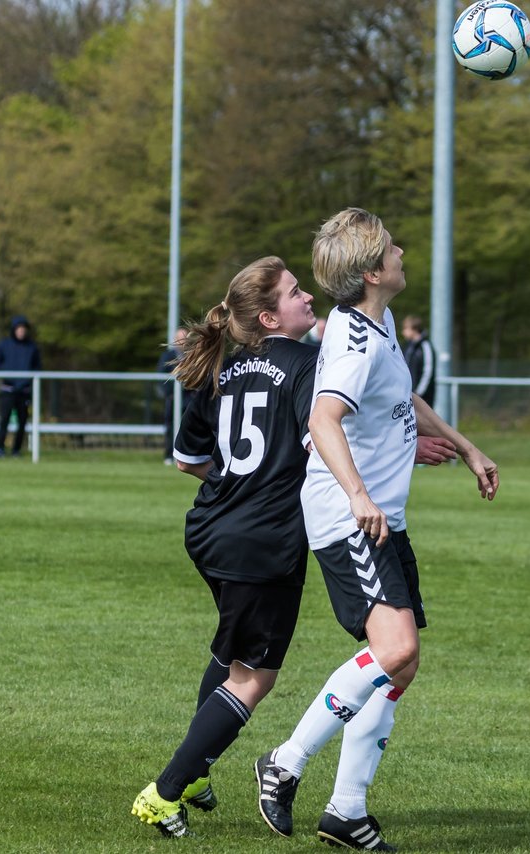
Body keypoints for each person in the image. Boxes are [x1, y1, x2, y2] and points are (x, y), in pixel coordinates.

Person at [256, 208, 499, 851]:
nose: (401, 252)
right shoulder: (356, 342)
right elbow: (324, 419)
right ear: (372, 272)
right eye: (391, 248)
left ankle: (346, 810)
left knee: (402, 662)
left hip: (381, 517)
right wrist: (360, 496)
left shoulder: (373, 322)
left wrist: (465, 447)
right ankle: (284, 762)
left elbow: (399, 395)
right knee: (392, 652)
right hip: (350, 518)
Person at [130, 256, 321, 838]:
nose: (308, 296)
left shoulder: (226, 367)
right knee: (254, 678)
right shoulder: (306, 363)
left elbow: (189, 459)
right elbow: (326, 442)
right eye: (294, 293)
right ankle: (163, 794)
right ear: (269, 317)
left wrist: (236, 485)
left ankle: (193, 773)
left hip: (211, 529)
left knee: (230, 654)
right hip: (263, 542)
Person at [0, 315, 41, 458]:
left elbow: (37, 367)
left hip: (24, 390)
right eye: (19, 329)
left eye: (23, 329)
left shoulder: (32, 347)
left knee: (23, 421)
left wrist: (27, 380)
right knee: (4, 420)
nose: (21, 331)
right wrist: (7, 376)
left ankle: (16, 450)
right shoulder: (4, 345)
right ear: (14, 330)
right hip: (8, 390)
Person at [156, 327, 191, 466]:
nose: (181, 342)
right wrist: (169, 394)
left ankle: (189, 455)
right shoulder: (168, 356)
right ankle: (169, 455)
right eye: (179, 339)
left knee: (190, 426)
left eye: (184, 339)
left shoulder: (193, 355)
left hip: (189, 398)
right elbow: (161, 376)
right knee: (170, 427)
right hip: (173, 398)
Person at [401, 314, 436, 408]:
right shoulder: (407, 346)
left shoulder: (425, 346)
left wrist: (418, 394)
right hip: (407, 396)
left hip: (421, 398)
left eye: (405, 329)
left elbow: (428, 372)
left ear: (414, 329)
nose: (403, 332)